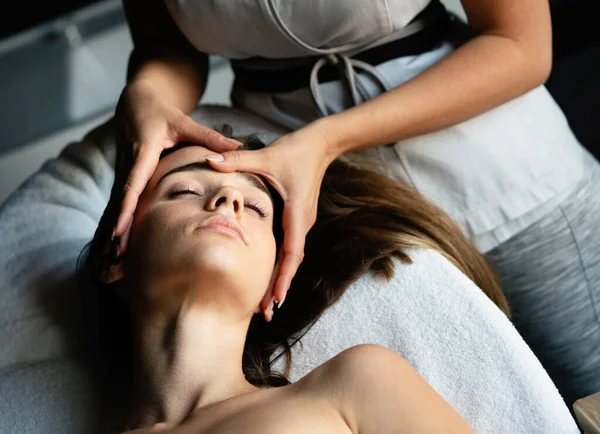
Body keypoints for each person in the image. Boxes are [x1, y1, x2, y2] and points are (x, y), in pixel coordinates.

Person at [111, 0, 600, 406]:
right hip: (337, 215)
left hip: (504, 177)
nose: (222, 202)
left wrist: (325, 143)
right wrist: (146, 95)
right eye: (184, 191)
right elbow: (164, 45)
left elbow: (523, 45)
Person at [81, 130, 513, 431]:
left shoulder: (355, 383)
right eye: (185, 190)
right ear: (115, 255)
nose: (229, 199)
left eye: (255, 207)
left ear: (273, 287)